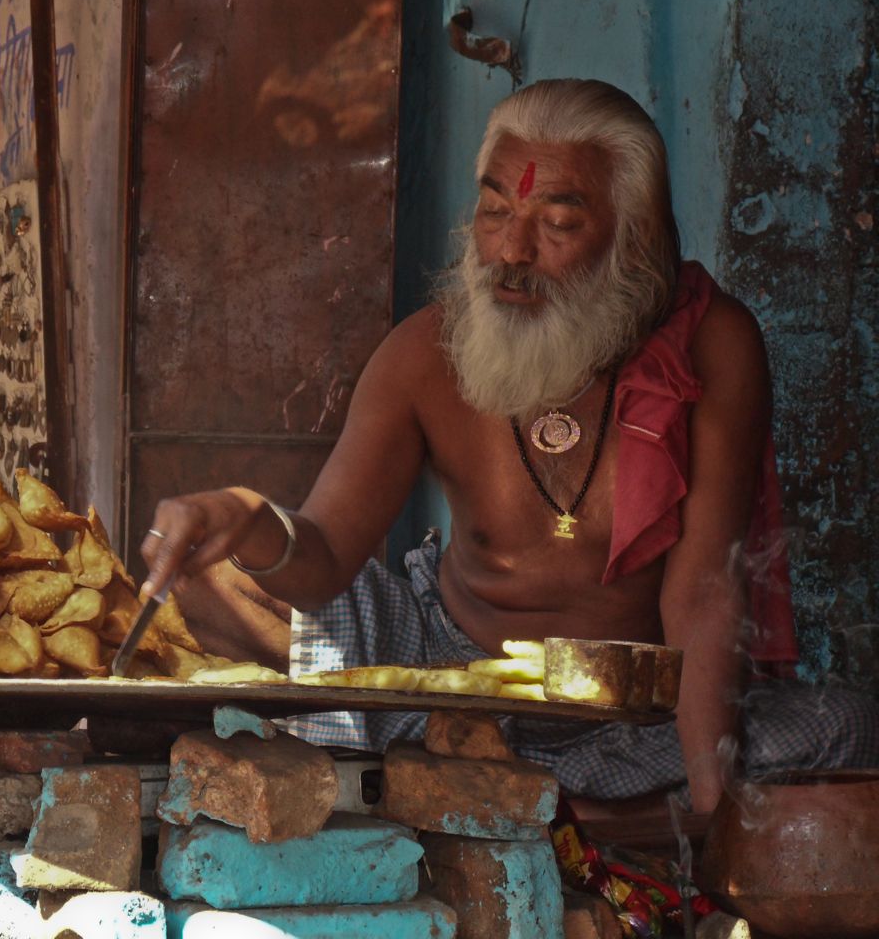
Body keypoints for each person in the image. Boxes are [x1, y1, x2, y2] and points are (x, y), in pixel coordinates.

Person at [138, 79, 878, 815]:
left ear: (633, 237)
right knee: (212, 585)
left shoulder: (712, 345)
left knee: (840, 729)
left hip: (627, 718)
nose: (511, 251)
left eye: (557, 224)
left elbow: (704, 594)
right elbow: (325, 555)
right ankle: (560, 815)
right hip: (442, 681)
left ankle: (477, 804)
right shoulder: (425, 354)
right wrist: (249, 521)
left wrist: (716, 816)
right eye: (495, 211)